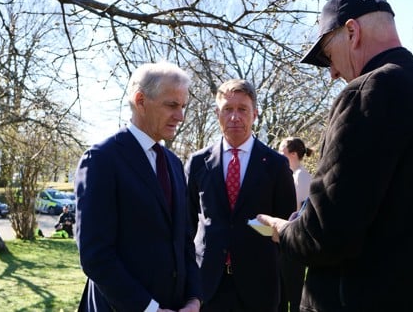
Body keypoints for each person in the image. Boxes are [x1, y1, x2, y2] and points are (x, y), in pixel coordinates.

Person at [257, 0, 413, 311]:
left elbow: (327, 232)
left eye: (328, 55)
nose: (332, 72)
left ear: (352, 32)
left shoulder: (370, 92)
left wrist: (284, 230)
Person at [74, 61, 202, 312]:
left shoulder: (174, 164)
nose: (181, 116)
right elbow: (96, 255)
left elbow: (185, 242)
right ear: (140, 100)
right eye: (172, 105)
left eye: (183, 106)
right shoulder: (102, 159)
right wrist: (149, 309)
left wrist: (194, 299)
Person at [185, 79, 296, 312]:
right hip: (207, 286)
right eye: (227, 109)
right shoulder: (197, 163)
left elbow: (286, 228)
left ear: (254, 114)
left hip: (259, 287)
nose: (235, 117)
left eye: (242, 109)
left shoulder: (276, 165)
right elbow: (186, 225)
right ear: (217, 113)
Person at [277, 137, 313, 312]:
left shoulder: (302, 177)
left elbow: (299, 213)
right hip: (283, 240)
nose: (277, 153)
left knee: (294, 294)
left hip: (294, 242)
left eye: (281, 149)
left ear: (293, 154)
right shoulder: (291, 175)